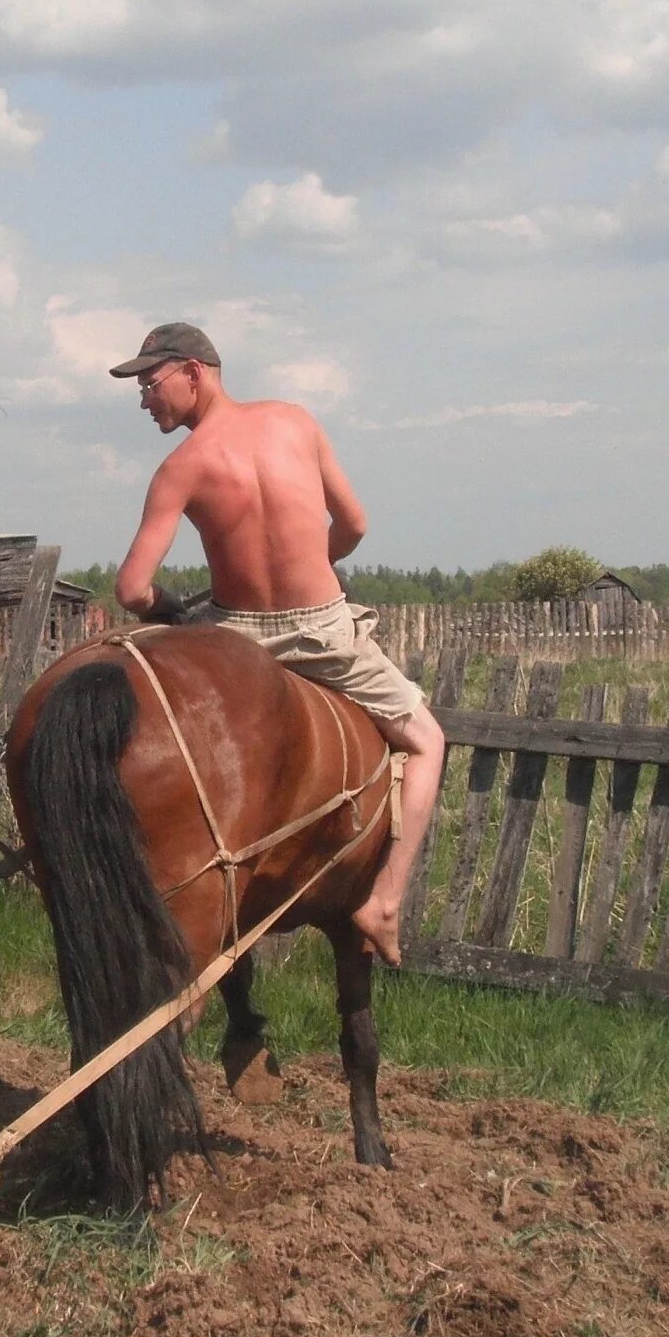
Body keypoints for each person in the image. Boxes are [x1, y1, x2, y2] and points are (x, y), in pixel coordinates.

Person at [108, 323, 445, 965]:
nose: (146, 400)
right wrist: (309, 562)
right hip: (322, 630)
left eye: (151, 384)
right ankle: (385, 901)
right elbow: (355, 524)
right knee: (428, 740)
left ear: (193, 372)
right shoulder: (294, 422)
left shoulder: (179, 469)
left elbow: (131, 589)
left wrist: (178, 613)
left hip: (235, 640)